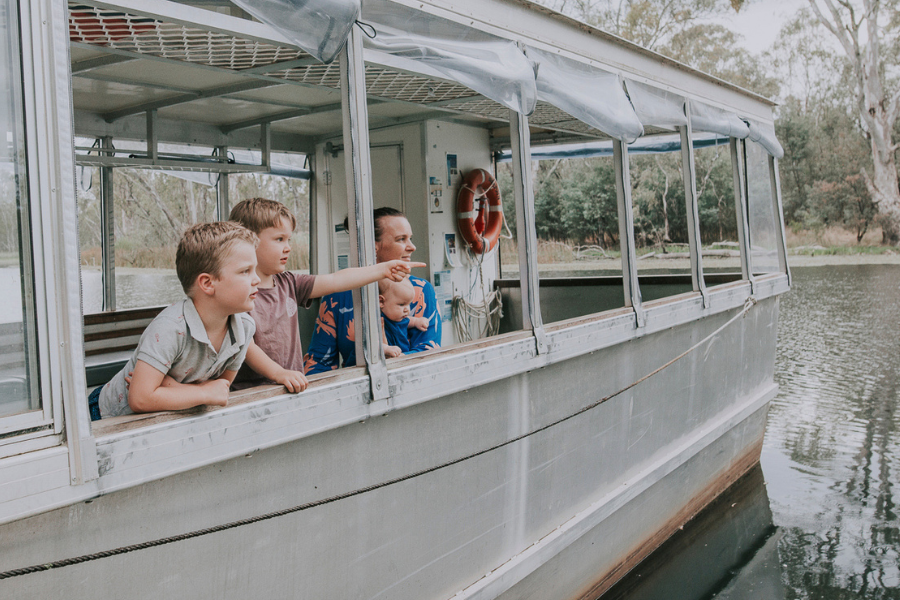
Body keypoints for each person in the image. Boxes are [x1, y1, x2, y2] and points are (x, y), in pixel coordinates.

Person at [229, 198, 423, 391]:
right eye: (279, 239)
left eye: (289, 239)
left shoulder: (289, 282)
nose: (288, 247)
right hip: (252, 392)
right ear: (249, 241)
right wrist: (279, 373)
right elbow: (246, 346)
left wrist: (383, 269)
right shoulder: (237, 290)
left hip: (289, 386)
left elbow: (336, 280)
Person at [88, 221, 260, 420]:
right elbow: (140, 399)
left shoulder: (244, 329)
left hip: (166, 417)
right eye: (245, 271)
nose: (256, 279)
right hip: (107, 415)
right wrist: (203, 392)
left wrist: (171, 386)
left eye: (254, 269)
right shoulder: (170, 328)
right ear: (207, 283)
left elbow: (220, 389)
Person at [305, 207, 441, 374]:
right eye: (401, 239)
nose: (412, 247)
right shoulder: (336, 296)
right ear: (373, 246)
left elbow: (428, 353)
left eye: (410, 238)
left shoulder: (421, 291)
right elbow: (318, 363)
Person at [378, 277, 429, 358]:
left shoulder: (400, 318)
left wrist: (417, 322)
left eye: (408, 304)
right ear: (381, 301)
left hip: (402, 356)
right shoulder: (378, 321)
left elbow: (408, 321)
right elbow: (372, 344)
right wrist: (386, 348)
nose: (407, 309)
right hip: (388, 358)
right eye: (401, 304)